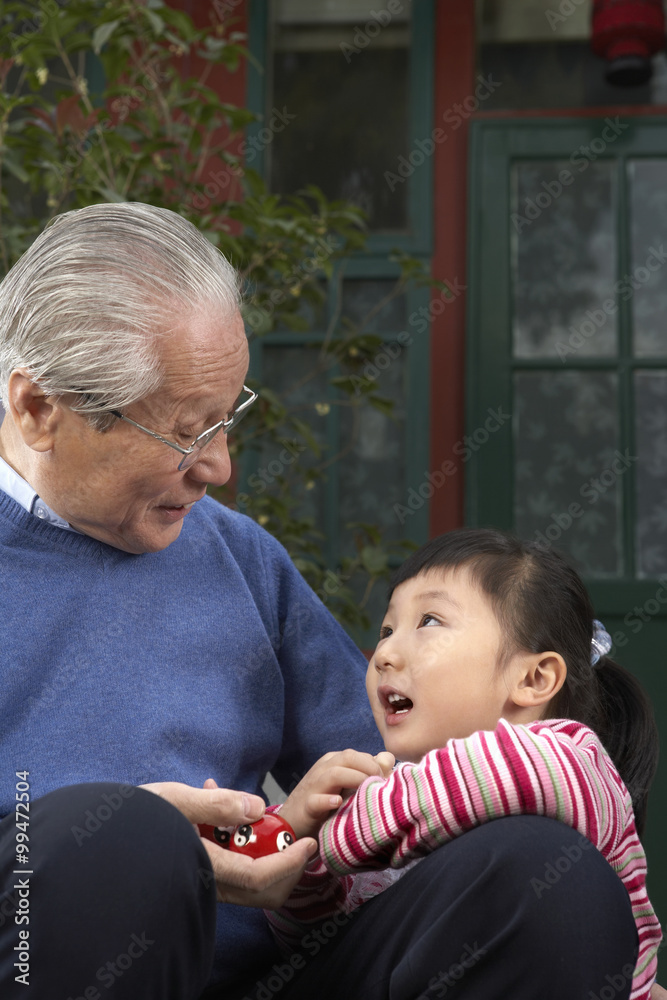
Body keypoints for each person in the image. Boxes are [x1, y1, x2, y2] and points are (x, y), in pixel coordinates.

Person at [0, 203, 658, 1000]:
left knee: (542, 876)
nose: (219, 467)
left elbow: (386, 782)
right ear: (40, 410)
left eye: (228, 418)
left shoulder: (238, 558)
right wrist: (123, 842)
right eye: (185, 432)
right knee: (118, 842)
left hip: (270, 979)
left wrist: (284, 829)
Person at [266, 529, 662, 1000]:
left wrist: (341, 826)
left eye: (429, 621)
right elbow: (318, 943)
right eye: (387, 631)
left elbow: (491, 774)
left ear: (534, 678)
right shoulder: (400, 794)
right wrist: (301, 850)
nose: (385, 654)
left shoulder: (572, 762)